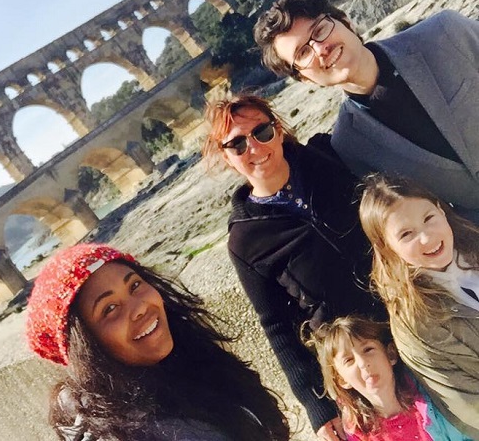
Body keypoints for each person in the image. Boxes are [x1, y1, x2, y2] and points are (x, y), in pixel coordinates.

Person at [202, 93, 386, 441]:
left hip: (411, 314)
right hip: (358, 360)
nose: (254, 148)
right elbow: (276, 327)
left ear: (279, 128)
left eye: (262, 132)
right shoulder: (245, 240)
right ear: (226, 158)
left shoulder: (327, 157)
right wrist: (317, 406)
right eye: (237, 144)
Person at [25, 243, 289, 441]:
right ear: (87, 346)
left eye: (135, 286)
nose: (140, 308)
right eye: (110, 308)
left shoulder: (189, 362)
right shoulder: (120, 433)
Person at [253, 0, 479, 222]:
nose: (320, 49)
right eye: (303, 53)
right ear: (304, 79)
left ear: (346, 21)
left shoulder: (445, 33)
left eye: (320, 30)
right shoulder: (350, 144)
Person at [359, 173, 479, 438]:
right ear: (388, 249)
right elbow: (468, 406)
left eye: (428, 218)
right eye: (406, 234)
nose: (426, 238)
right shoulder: (414, 325)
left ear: (440, 208)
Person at [306, 315, 470, 440]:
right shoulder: (358, 434)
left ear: (390, 354)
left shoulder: (434, 400)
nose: (363, 363)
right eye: (349, 360)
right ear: (342, 380)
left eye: (368, 349)